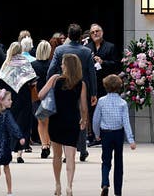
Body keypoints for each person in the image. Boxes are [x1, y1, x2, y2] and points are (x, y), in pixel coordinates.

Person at [39, 53, 88, 196]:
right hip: (72, 121)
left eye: (62, 63)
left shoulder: (55, 79)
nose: (61, 65)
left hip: (56, 120)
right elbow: (83, 106)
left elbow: (41, 94)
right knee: (71, 156)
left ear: (66, 66)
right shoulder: (81, 84)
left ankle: (58, 184)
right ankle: (69, 186)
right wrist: (83, 120)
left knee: (57, 156)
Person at [47, 23, 97, 162]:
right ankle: (82, 149)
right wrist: (93, 92)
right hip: (81, 87)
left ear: (68, 36)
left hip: (63, 88)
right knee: (82, 117)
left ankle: (67, 150)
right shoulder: (86, 51)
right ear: (80, 37)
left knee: (65, 117)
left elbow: (52, 69)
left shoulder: (59, 50)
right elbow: (92, 73)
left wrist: (50, 85)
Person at [92, 74, 136, 196]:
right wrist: (131, 139)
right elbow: (126, 122)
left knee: (105, 160)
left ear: (105, 86)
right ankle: (118, 191)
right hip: (118, 133)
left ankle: (105, 183)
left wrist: (96, 133)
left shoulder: (101, 101)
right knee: (118, 161)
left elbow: (96, 119)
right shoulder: (122, 103)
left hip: (106, 133)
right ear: (119, 87)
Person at [0, 42, 36, 163]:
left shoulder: (6, 63)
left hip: (9, 98)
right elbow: (33, 80)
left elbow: (0, 81)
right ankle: (19, 154)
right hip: (24, 97)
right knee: (23, 125)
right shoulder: (25, 62)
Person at [86, 23, 118, 146]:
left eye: (97, 31)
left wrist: (103, 62)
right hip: (92, 85)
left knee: (106, 111)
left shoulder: (110, 47)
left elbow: (116, 64)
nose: (95, 33)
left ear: (102, 32)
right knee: (93, 111)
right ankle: (94, 136)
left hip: (107, 84)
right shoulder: (87, 48)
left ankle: (107, 136)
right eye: (93, 32)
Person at [31, 40, 52, 158]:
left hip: (36, 94)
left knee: (41, 121)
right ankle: (48, 143)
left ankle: (44, 145)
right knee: (49, 121)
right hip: (49, 95)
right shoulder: (52, 64)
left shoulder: (33, 65)